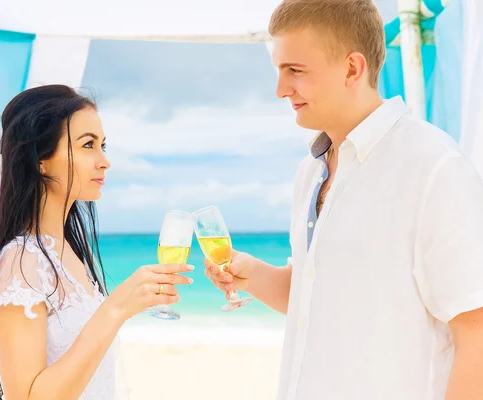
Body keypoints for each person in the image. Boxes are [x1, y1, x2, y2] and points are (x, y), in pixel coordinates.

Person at [204, 1, 483, 399]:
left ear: (353, 68)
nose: (280, 89)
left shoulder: (434, 167)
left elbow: (477, 332)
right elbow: (315, 297)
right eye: (279, 71)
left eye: (294, 71)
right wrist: (252, 273)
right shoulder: (310, 172)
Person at [0, 85, 193, 400]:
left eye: (103, 145)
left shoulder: (67, 251)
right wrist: (115, 309)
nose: (104, 161)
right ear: (40, 159)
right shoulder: (20, 261)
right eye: (88, 145)